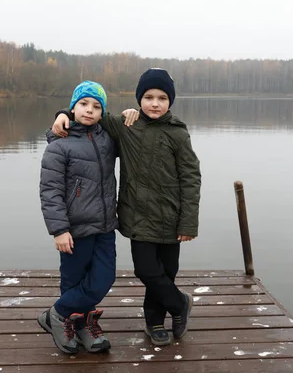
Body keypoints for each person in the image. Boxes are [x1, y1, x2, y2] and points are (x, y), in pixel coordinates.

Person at [52, 68, 202, 346]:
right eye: (148, 97)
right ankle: (180, 304)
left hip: (171, 217)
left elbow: (191, 177)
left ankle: (154, 322)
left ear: (170, 102)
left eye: (161, 98)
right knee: (146, 271)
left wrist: (188, 221)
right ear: (139, 99)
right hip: (138, 217)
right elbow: (88, 116)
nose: (154, 103)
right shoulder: (125, 126)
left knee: (166, 273)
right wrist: (62, 113)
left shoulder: (178, 134)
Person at [38, 80, 118, 354]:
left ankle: (56, 314)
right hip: (74, 229)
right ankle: (78, 325)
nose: (89, 110)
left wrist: (132, 113)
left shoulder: (107, 137)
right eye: (83, 104)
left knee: (104, 278)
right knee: (73, 280)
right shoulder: (59, 146)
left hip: (106, 226)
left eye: (96, 106)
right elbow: (50, 192)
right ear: (73, 108)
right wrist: (59, 230)